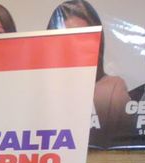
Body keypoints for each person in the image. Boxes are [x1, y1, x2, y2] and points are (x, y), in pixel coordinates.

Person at [47, 0, 132, 147]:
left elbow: (125, 148)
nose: (74, 47)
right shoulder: (39, 91)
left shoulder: (111, 89)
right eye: (66, 39)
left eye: (82, 39)